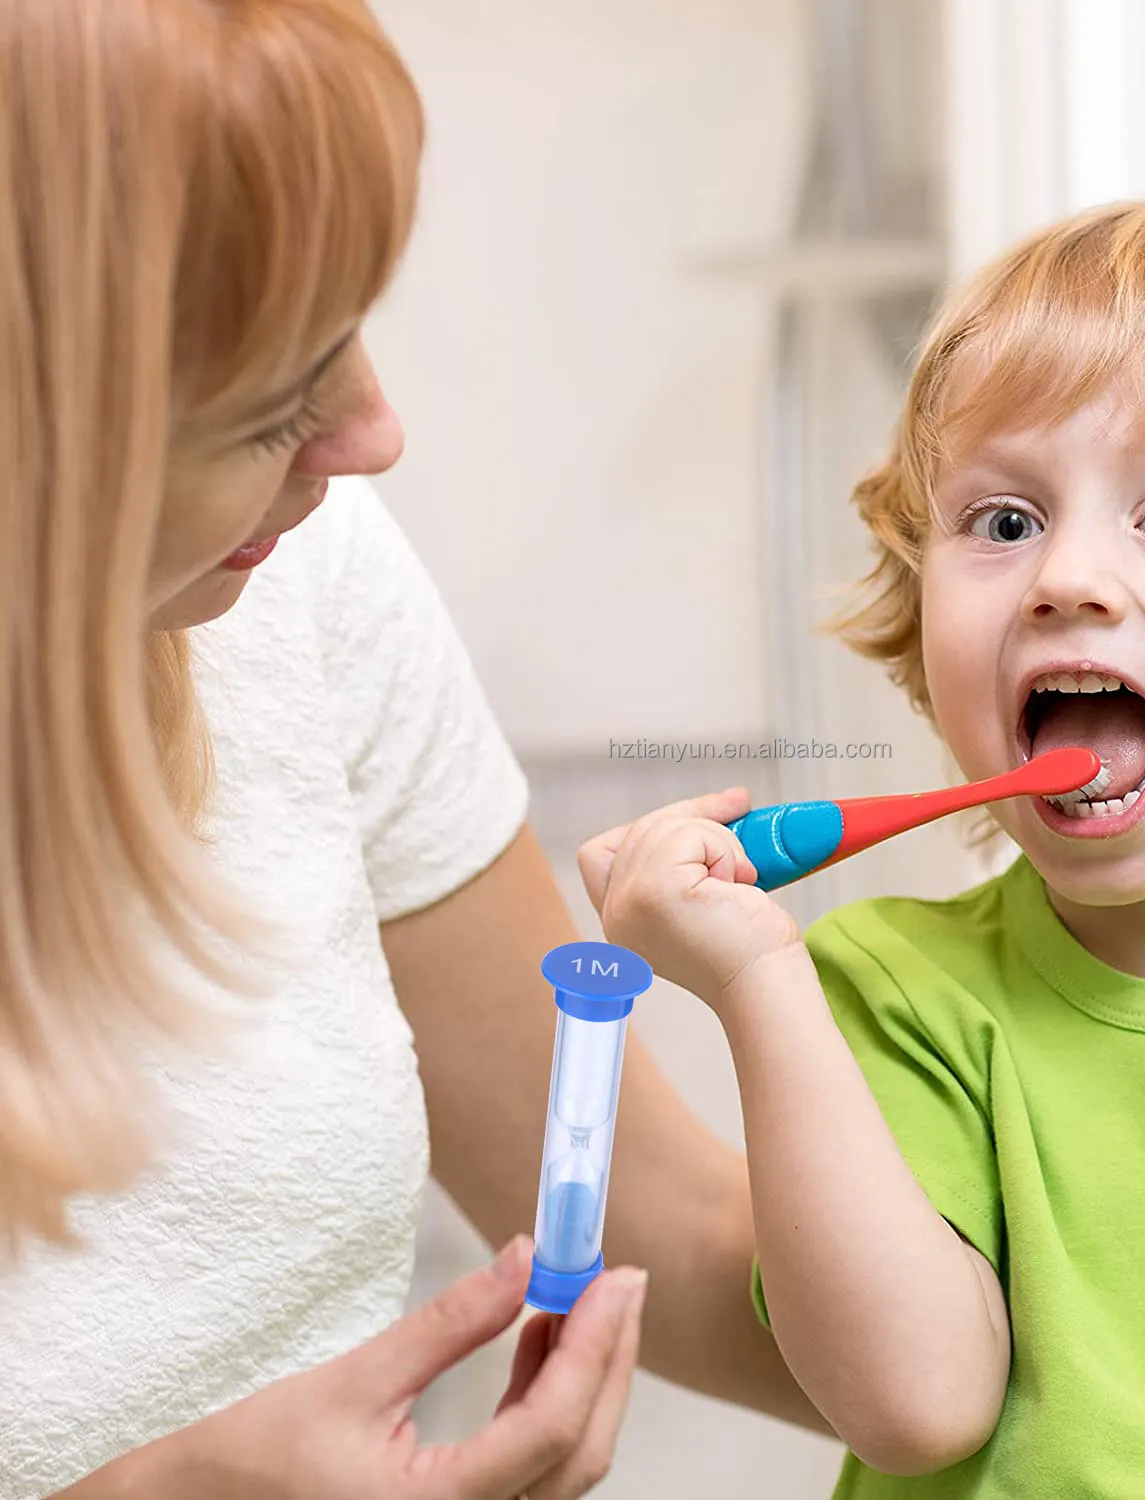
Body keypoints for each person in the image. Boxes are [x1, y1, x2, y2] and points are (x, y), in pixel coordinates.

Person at [0, 2, 817, 1496]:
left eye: (348, 323)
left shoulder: (292, 575)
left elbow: (673, 1231)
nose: (374, 433)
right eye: (264, 397)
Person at [581, 200, 1145, 1497]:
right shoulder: (898, 994)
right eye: (1004, 523)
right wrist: (753, 982)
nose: (1067, 576)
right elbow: (916, 1406)